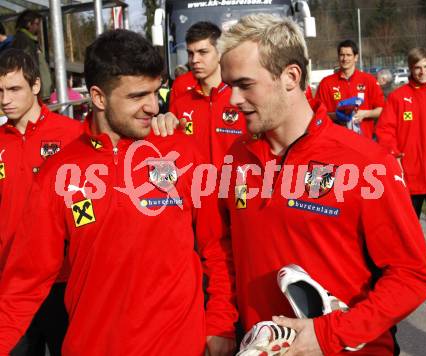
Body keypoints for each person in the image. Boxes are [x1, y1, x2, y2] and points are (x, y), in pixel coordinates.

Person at [0, 30, 237, 356]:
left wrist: (220, 322)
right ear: (98, 97)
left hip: (179, 344)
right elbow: (24, 284)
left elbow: (217, 247)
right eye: (137, 96)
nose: (153, 107)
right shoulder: (58, 174)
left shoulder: (181, 153)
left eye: (156, 92)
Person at [218, 14, 426, 355]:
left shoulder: (365, 163)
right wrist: (221, 323)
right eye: (229, 85)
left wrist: (330, 333)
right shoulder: (237, 155)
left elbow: (412, 276)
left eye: (244, 85)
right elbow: (222, 246)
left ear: (291, 76)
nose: (232, 100)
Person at [0, 48, 83, 355]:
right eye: (0, 91)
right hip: (13, 284)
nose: (5, 98)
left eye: (14, 89)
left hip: (64, 280)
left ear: (35, 86)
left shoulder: (73, 134)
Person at [376, 47, 426, 282]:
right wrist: (393, 154)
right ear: (411, 69)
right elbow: (384, 131)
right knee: (406, 238)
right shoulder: (398, 97)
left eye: (425, 66)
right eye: (417, 68)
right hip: (408, 181)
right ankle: (408, 282)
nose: (422, 72)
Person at [169, 21, 246, 167]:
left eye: (203, 52)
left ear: (220, 54)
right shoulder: (180, 104)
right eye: (190, 53)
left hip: (236, 187)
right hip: (196, 188)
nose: (194, 60)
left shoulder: (242, 98)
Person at [315, 40, 384, 139]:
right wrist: (337, 116)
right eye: (342, 55)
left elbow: (381, 110)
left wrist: (364, 114)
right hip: (338, 142)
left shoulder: (369, 80)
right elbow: (318, 114)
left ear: (356, 57)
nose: (345, 58)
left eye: (348, 55)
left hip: (364, 142)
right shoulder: (326, 83)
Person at [11, 10, 52, 98]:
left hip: (39, 90)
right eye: (37, 24)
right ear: (29, 24)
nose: (38, 28)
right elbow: (26, 65)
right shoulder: (23, 40)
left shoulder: (31, 40)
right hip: (35, 91)